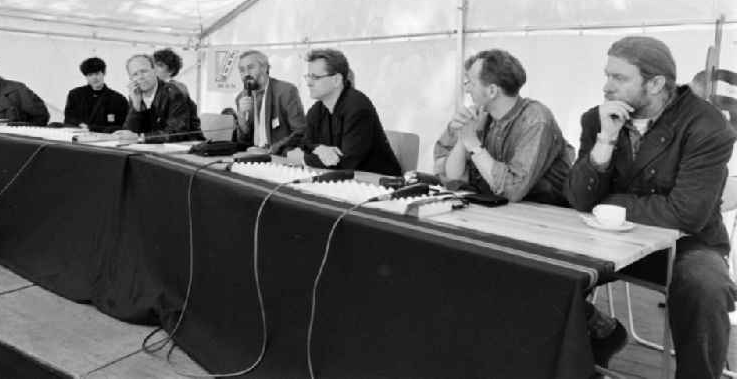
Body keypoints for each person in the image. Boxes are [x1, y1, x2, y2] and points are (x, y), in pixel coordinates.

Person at [566, 36, 737, 378]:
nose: (606, 86)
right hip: (606, 239)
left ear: (656, 83)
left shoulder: (708, 126)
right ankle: (593, 341)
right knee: (538, 263)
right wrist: (605, 140)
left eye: (619, 78)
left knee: (706, 285)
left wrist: (609, 204)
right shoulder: (596, 119)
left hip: (686, 244)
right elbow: (579, 199)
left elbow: (686, 214)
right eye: (607, 75)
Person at [434, 49, 573, 205]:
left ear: (492, 91)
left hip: (546, 217)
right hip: (500, 211)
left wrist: (474, 144)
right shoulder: (482, 117)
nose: (467, 89)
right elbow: (452, 176)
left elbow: (513, 190)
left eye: (471, 83)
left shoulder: (536, 120)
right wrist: (464, 137)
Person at [289, 48, 401, 176]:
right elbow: (305, 143)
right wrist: (319, 149)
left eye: (315, 77)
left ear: (336, 80)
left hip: (380, 185)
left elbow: (345, 164)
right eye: (308, 76)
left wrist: (303, 158)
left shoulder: (358, 107)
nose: (308, 83)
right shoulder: (317, 109)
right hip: (345, 182)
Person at [112, 54, 200, 143]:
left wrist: (140, 137)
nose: (141, 77)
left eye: (144, 71)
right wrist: (136, 106)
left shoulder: (174, 93)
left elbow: (176, 133)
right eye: (135, 74)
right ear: (131, 78)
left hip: (188, 147)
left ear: (154, 70)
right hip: (153, 147)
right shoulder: (135, 94)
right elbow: (130, 132)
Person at [233, 50, 306, 155]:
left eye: (250, 68)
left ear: (265, 68)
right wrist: (241, 118)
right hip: (253, 156)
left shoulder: (286, 91)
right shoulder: (241, 97)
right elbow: (244, 140)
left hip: (281, 157)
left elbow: (300, 131)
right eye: (242, 70)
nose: (246, 74)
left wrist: (271, 150)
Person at [63, 57, 128, 132]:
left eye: (97, 74)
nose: (94, 78)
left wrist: (91, 128)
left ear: (104, 73)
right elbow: (69, 118)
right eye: (90, 75)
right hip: (78, 137)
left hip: (106, 140)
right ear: (86, 76)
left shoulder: (118, 99)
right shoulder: (75, 95)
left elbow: (122, 126)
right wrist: (80, 124)